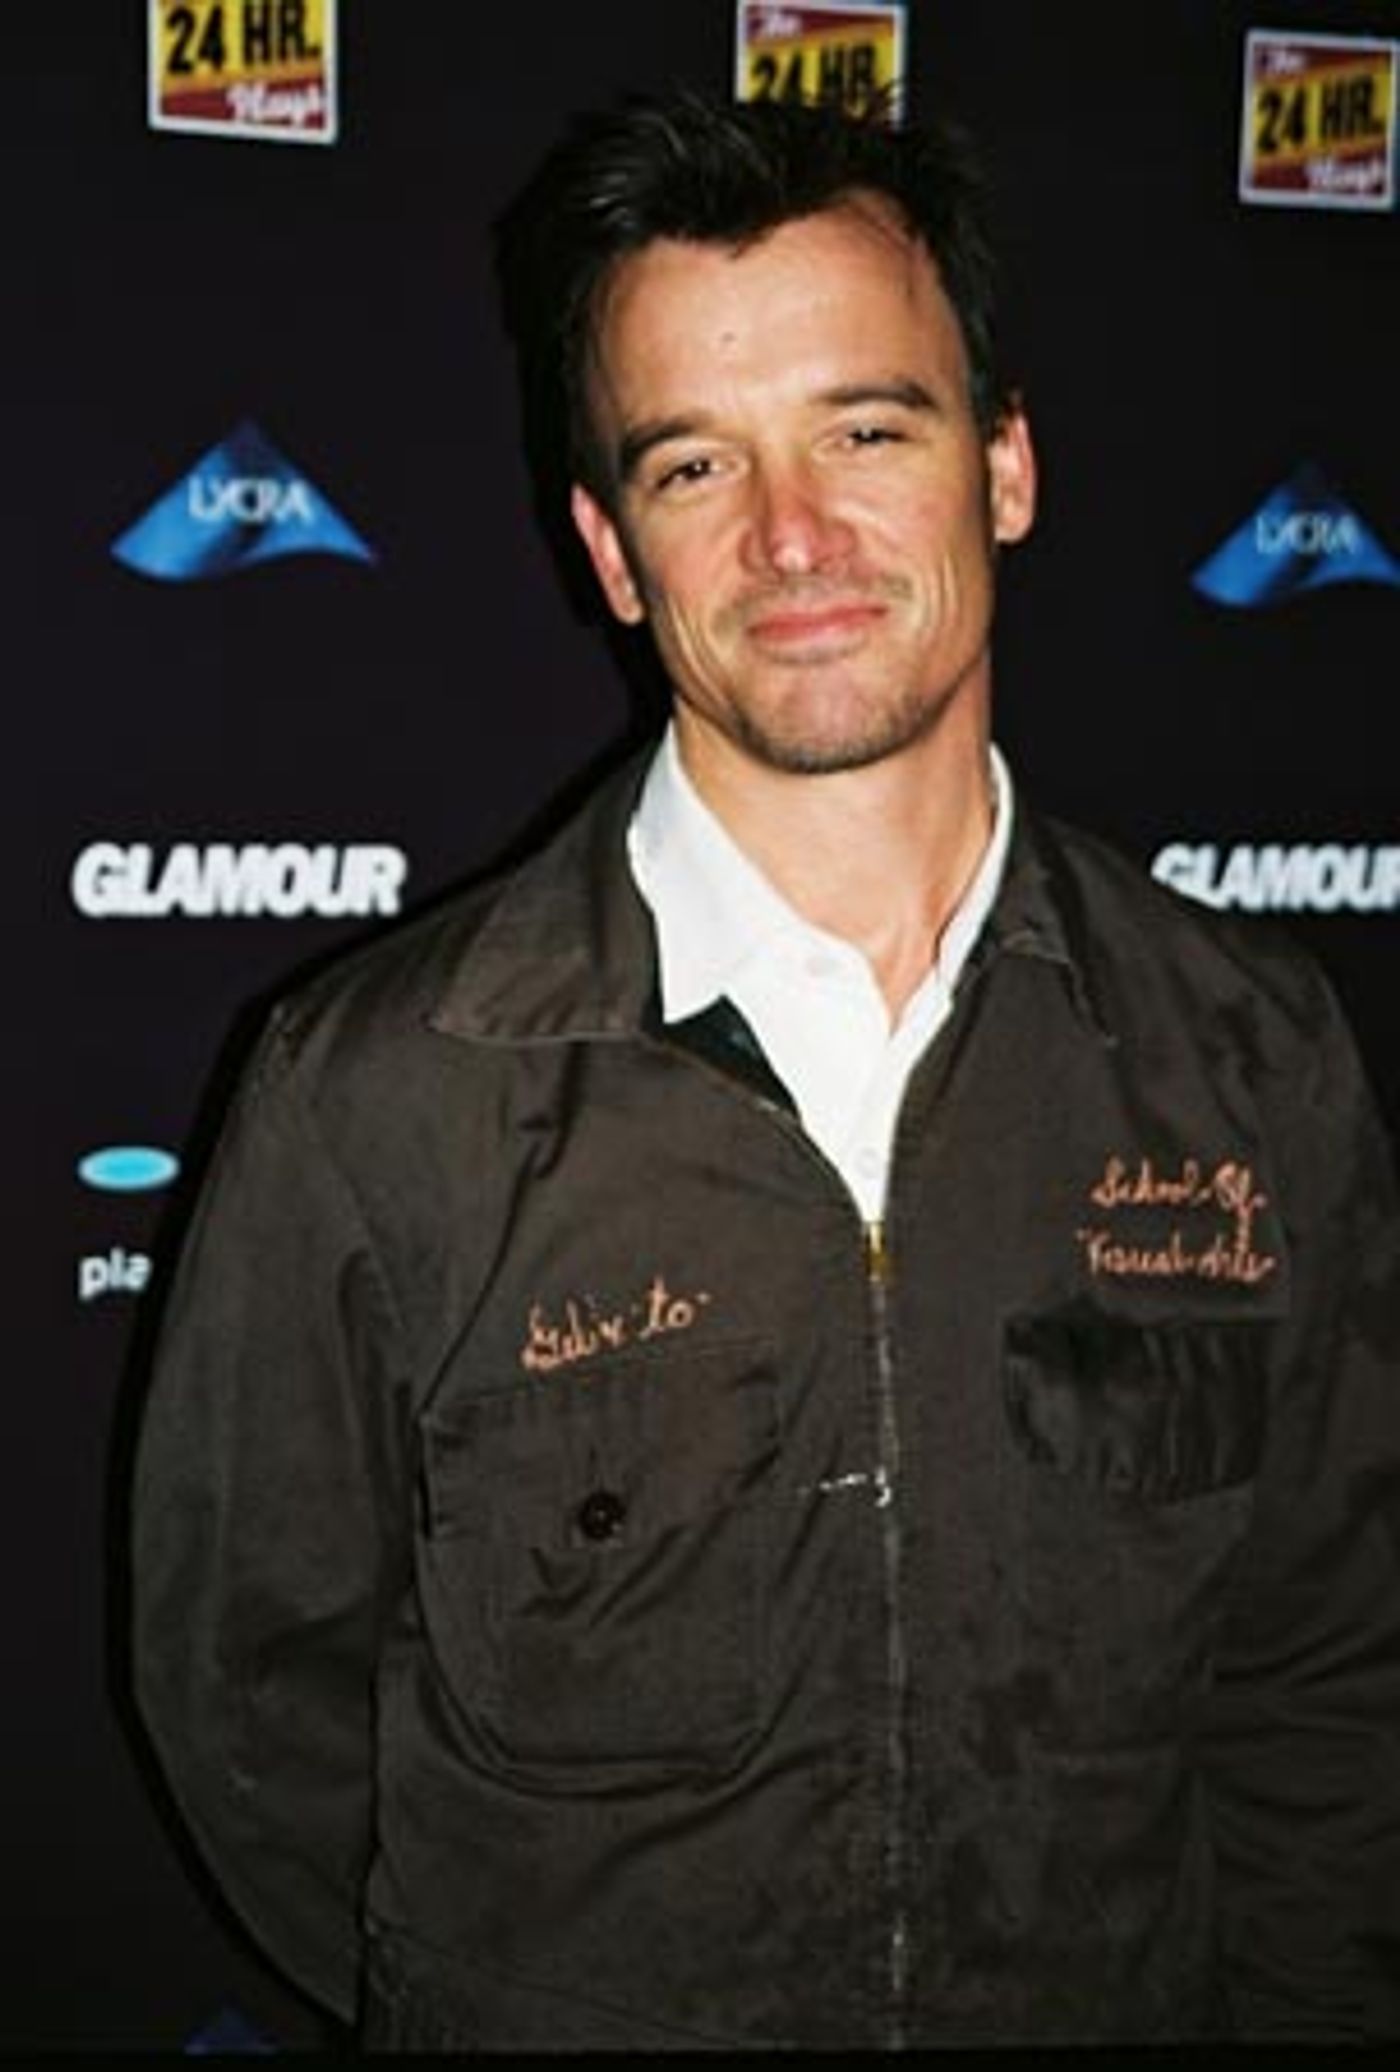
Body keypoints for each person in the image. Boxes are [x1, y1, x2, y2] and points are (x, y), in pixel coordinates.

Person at [131, 87, 1400, 2049]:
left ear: (1005, 467)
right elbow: (252, 1708)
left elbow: (1330, 1675)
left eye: (866, 430)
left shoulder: (1248, 1053)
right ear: (610, 551)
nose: (792, 536)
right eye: (694, 463)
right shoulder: (378, 1094)